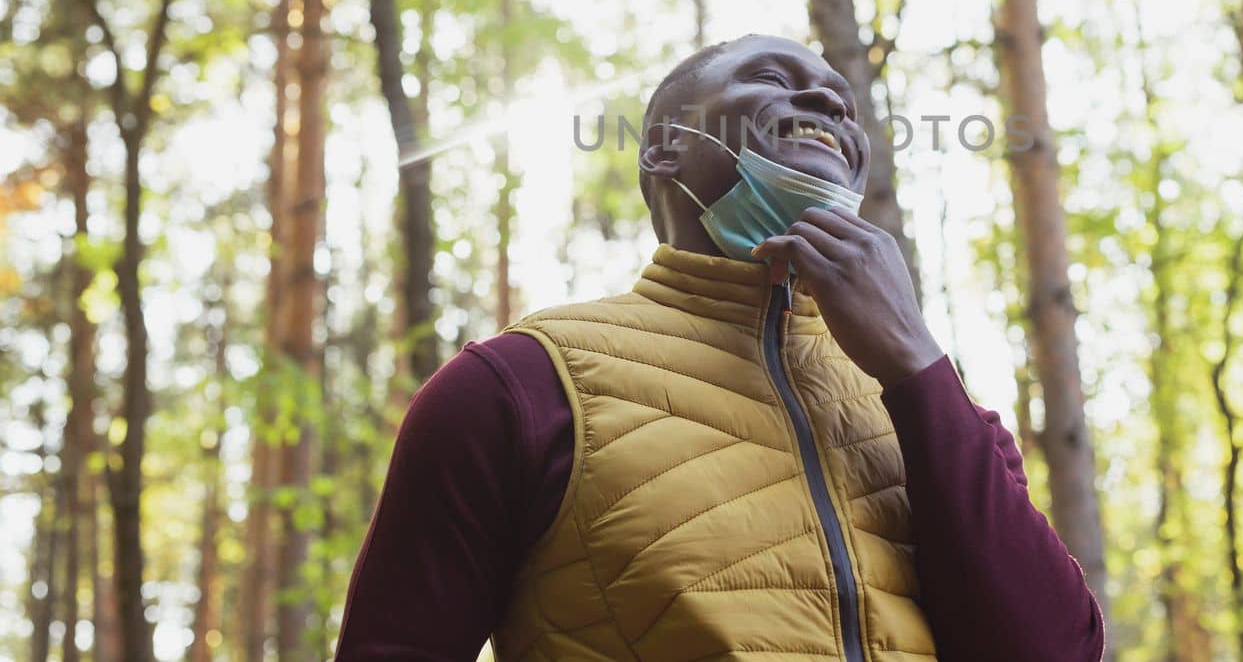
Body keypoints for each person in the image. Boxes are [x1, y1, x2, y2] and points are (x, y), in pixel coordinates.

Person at [333, 34, 1105, 661]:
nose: (829, 99)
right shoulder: (519, 386)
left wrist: (914, 363)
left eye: (842, 97)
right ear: (667, 147)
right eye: (774, 76)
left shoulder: (941, 409)